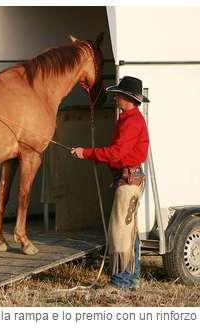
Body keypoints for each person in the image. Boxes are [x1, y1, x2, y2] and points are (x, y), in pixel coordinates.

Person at [71, 76, 149, 290]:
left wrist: (86, 153)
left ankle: (121, 282)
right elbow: (118, 154)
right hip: (128, 177)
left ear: (127, 98)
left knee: (119, 231)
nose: (115, 98)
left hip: (128, 180)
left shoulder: (132, 121)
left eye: (118, 95)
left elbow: (116, 153)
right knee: (128, 231)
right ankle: (131, 279)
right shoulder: (129, 119)